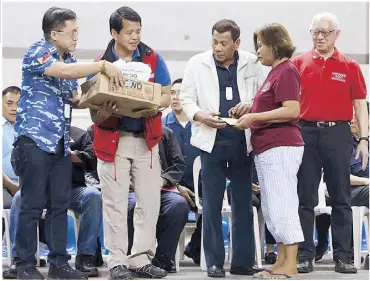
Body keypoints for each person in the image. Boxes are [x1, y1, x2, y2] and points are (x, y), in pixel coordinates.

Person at [11, 7, 123, 280]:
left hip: (59, 144)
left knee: (60, 204)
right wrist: (101, 65)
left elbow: (75, 99)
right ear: (54, 33)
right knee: (32, 204)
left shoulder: (69, 57)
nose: (76, 38)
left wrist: (102, 99)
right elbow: (62, 71)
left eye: (77, 32)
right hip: (34, 141)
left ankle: (59, 263)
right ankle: (25, 264)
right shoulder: (38, 51)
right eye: (72, 33)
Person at [89, 6, 171, 280]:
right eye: (129, 32)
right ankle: (117, 262)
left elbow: (166, 96)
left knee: (149, 202)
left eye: (138, 31)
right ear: (114, 33)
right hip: (114, 142)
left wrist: (150, 103)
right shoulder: (100, 62)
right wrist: (107, 109)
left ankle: (141, 259)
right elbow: (94, 113)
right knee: (115, 203)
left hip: (146, 140)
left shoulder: (152, 58)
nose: (135, 37)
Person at [180, 19, 265, 278]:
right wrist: (200, 116)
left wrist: (250, 104)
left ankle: (242, 262)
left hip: (241, 141)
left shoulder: (252, 61)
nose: (218, 48)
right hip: (211, 142)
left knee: (242, 203)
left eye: (224, 43)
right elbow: (185, 98)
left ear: (237, 43)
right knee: (212, 204)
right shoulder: (197, 63)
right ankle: (214, 262)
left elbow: (263, 94)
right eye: (214, 42)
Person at [292, 12, 368, 274]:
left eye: (325, 32)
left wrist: (364, 139)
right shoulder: (298, 63)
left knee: (341, 197)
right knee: (305, 196)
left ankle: (344, 256)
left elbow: (360, 105)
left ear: (337, 34)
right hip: (305, 132)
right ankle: (303, 254)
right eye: (315, 32)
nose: (319, 36)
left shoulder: (350, 66)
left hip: (338, 133)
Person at [236, 23, 304, 279]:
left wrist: (254, 116)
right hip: (267, 147)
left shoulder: (287, 71)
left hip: (281, 146)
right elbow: (268, 106)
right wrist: (247, 109)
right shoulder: (274, 73)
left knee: (283, 204)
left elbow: (292, 110)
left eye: (261, 46)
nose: (258, 52)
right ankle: (282, 260)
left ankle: (291, 264)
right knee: (272, 207)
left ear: (275, 45)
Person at [4, 126, 102, 279]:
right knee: (19, 198)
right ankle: (19, 260)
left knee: (93, 196)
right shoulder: (32, 133)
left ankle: (86, 257)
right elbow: (17, 164)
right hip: (38, 190)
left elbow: (92, 159)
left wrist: (66, 155)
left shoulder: (79, 134)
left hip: (73, 188)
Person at [127, 126, 188, 273]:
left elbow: (178, 164)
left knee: (178, 205)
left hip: (162, 188)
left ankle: (162, 260)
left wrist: (163, 181)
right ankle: (132, 257)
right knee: (132, 204)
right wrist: (131, 182)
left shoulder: (166, 133)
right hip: (132, 188)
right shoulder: (125, 132)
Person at [315, 113, 369, 270]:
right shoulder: (343, 144)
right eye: (351, 117)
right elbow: (341, 176)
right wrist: (366, 181)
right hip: (346, 189)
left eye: (357, 117)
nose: (352, 120)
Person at [162, 78, 202, 265]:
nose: (176, 97)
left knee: (212, 207)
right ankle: (165, 255)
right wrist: (176, 186)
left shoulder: (201, 124)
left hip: (200, 187)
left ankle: (195, 246)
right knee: (175, 206)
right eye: (172, 93)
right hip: (173, 187)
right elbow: (159, 163)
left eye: (180, 93)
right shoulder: (161, 126)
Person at [2, 86, 21, 211]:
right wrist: (12, 186)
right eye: (9, 103)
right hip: (4, 185)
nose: (14, 108)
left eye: (18, 104)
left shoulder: (29, 128)